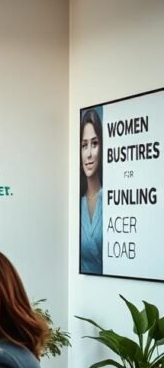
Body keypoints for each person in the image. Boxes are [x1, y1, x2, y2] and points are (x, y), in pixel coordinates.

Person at [79, 107, 104, 274]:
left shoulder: (112, 199)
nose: (88, 154)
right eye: (84, 145)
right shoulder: (77, 204)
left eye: (94, 144)